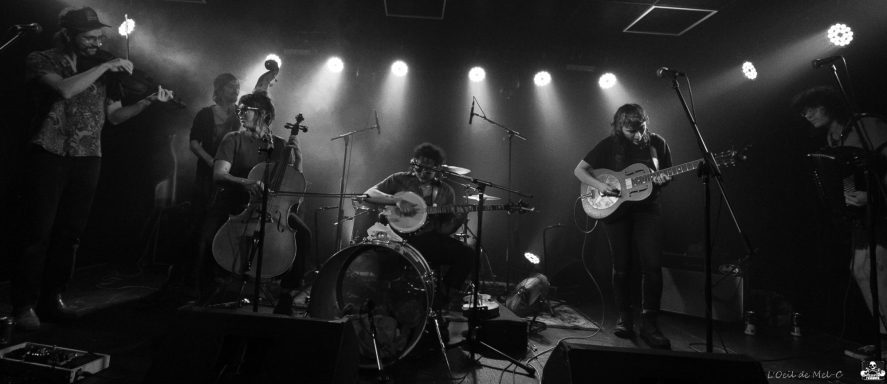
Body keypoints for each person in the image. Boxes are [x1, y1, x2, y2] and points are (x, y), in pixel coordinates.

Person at [11, 6, 174, 331]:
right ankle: (23, 305)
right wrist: (107, 65)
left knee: (70, 234)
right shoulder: (43, 59)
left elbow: (114, 117)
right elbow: (65, 89)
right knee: (37, 234)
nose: (96, 44)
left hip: (89, 156)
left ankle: (53, 298)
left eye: (99, 37)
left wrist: (146, 102)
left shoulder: (103, 69)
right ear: (69, 35)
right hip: (49, 152)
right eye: (89, 37)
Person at [195, 91, 311, 315]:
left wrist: (298, 160)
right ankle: (205, 293)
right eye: (239, 109)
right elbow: (219, 174)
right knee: (206, 237)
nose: (240, 113)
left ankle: (286, 294)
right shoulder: (233, 139)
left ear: (264, 115)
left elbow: (294, 187)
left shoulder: (279, 145)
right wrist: (247, 183)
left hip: (272, 209)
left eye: (246, 110)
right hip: (235, 202)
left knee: (303, 234)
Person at [793, 86, 887, 360]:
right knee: (860, 270)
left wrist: (872, 195)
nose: (806, 114)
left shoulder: (866, 125)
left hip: (882, 210)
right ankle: (882, 340)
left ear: (828, 106)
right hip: (864, 216)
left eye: (811, 108)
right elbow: (848, 173)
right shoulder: (834, 137)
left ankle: (884, 350)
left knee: (877, 269)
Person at [573, 103, 673, 349]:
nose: (638, 135)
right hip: (617, 212)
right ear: (620, 128)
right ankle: (625, 318)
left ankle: (650, 324)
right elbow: (580, 171)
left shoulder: (657, 144)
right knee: (622, 267)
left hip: (648, 210)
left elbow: (667, 173)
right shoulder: (609, 145)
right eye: (631, 131)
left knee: (652, 266)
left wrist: (663, 179)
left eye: (641, 128)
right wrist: (600, 186)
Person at [364, 143, 474, 309]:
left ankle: (444, 297)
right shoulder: (399, 179)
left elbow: (443, 231)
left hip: (426, 240)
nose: (422, 173)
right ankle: (382, 303)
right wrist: (396, 200)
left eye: (428, 170)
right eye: (419, 168)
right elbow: (369, 194)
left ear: (437, 169)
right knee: (383, 260)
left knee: (467, 254)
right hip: (395, 237)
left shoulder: (445, 191)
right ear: (413, 163)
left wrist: (459, 218)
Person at [163, 74, 241, 297]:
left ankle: (217, 276)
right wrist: (212, 162)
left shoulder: (239, 115)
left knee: (223, 224)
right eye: (230, 87)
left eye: (237, 87)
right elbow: (194, 144)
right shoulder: (205, 114)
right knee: (199, 224)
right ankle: (190, 277)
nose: (235, 91)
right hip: (207, 177)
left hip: (230, 177)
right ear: (219, 89)